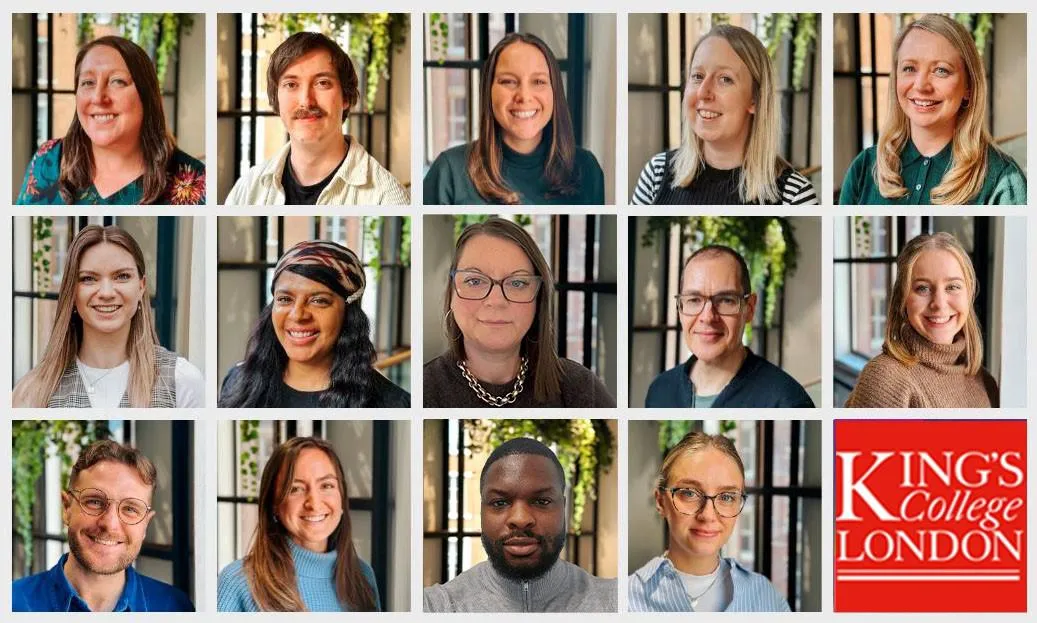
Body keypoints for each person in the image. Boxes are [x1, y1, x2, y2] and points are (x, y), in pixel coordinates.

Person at [423, 218, 615, 407]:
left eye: (517, 283)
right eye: (474, 281)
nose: (496, 301)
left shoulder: (580, 389)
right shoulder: (420, 392)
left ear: (538, 300)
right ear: (451, 294)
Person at [840, 14, 1026, 205]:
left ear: (969, 88)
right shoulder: (863, 168)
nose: (921, 86)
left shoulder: (1003, 181)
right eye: (909, 68)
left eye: (941, 70)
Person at [12, 225, 204, 408]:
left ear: (141, 285)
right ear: (72, 291)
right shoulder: (32, 391)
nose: (106, 292)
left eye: (121, 276)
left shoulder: (182, 380)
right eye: (88, 278)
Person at [424, 437, 617, 612]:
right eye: (499, 503)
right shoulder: (434, 607)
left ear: (563, 507)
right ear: (482, 510)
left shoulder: (616, 602)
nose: (520, 519)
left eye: (542, 501)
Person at [632, 25, 817, 205]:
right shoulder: (656, 174)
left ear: (755, 99)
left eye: (725, 79)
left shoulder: (794, 196)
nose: (703, 92)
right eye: (697, 76)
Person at [219, 240, 410, 407]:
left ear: (349, 312)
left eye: (319, 300)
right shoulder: (237, 380)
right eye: (285, 299)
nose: (298, 315)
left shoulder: (391, 403)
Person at [17, 36, 205, 205]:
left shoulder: (196, 182)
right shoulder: (47, 160)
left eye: (117, 82)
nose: (98, 98)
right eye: (88, 83)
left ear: (146, 96)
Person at [225, 32, 408, 205]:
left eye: (322, 83)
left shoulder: (387, 198)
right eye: (291, 84)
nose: (306, 101)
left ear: (346, 97)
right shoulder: (247, 189)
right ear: (277, 98)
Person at [12, 440, 194, 612]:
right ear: (67, 508)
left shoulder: (175, 607)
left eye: (130, 509)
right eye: (95, 502)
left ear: (145, 523)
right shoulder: (11, 604)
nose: (110, 524)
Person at [424, 32, 605, 205]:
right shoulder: (449, 173)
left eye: (539, 82)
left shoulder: (587, 169)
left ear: (555, 92)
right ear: (489, 90)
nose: (524, 96)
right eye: (509, 81)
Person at [629, 432, 789, 612]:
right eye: (689, 493)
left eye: (727, 497)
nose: (708, 515)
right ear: (661, 501)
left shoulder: (765, 597)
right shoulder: (624, 600)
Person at [217, 437, 380, 611]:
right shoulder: (237, 583)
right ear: (274, 505)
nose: (315, 504)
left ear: (341, 497)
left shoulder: (363, 576)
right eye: (296, 489)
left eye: (326, 485)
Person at [645, 245, 814, 408]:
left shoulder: (787, 402)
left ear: (749, 308)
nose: (708, 317)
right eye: (694, 300)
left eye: (726, 300)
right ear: (680, 309)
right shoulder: (660, 391)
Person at [845, 232, 998, 407]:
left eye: (953, 287)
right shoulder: (885, 378)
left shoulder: (985, 382)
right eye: (923, 288)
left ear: (969, 295)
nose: (939, 304)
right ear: (902, 299)